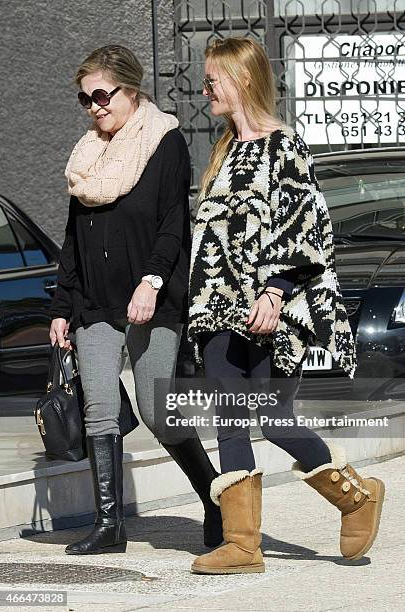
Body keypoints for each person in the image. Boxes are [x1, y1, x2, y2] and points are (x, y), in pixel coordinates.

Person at [187, 37, 385, 575]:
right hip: (218, 307)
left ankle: (357, 497)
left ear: (242, 79)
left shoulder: (287, 147)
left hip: (277, 310)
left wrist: (274, 290)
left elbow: (307, 229)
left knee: (270, 414)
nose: (205, 89)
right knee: (230, 412)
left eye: (212, 80)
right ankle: (242, 545)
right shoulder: (223, 150)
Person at [49, 44, 222, 555]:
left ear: (130, 89)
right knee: (99, 409)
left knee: (157, 413)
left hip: (150, 297)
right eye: (85, 99)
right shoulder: (86, 156)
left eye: (102, 95)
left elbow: (174, 223)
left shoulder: (165, 142)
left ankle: (215, 503)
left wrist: (151, 281)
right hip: (95, 300)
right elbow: (74, 235)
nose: (95, 106)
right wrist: (62, 306)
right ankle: (110, 526)